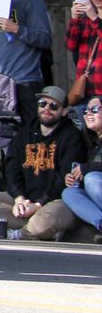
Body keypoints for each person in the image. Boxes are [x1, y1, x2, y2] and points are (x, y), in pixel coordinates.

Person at [0, 86, 85, 240]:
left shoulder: (72, 137)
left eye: (53, 106)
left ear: (64, 111)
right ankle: (42, 230)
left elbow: (63, 178)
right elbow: (12, 169)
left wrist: (39, 204)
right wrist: (19, 199)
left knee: (54, 214)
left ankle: (15, 233)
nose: (47, 109)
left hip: (56, 201)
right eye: (42, 103)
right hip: (27, 198)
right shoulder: (23, 134)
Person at [61, 95, 102, 243]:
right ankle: (101, 224)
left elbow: (94, 169)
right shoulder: (90, 140)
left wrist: (85, 169)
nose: (88, 113)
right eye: (86, 111)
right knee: (69, 192)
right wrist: (73, 177)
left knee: (92, 179)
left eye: (94, 109)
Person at [65, 0, 102, 110]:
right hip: (85, 88)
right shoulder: (84, 20)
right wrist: (74, 19)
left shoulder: (91, 17)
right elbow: (70, 45)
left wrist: (94, 17)